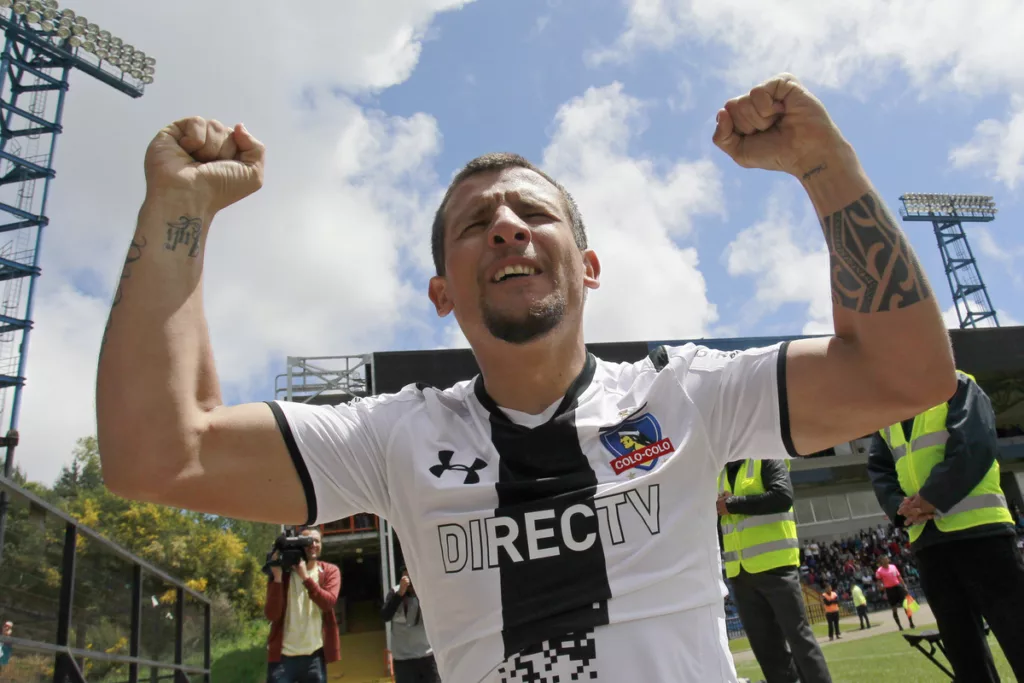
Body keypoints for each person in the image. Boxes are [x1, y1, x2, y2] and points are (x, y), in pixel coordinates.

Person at [96, 72, 956, 683]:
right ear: (441, 292)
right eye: (477, 223)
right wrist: (178, 212)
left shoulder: (685, 395)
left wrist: (825, 164)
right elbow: (160, 451)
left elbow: (905, 371)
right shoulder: (398, 437)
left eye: (532, 212)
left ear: (587, 265)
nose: (507, 225)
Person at [868, 370, 1024, 681]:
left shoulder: (957, 384)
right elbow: (879, 468)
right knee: (963, 650)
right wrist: (899, 507)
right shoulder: (887, 412)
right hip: (929, 542)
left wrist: (931, 497)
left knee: (1016, 631)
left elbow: (974, 445)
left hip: (981, 532)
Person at [717, 459, 831, 682]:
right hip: (739, 572)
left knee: (799, 639)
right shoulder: (719, 473)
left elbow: (782, 496)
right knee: (765, 648)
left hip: (776, 566)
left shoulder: (765, 457)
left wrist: (733, 504)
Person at [264, 529, 341, 683]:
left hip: (314, 656)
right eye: (307, 541)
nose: (313, 545)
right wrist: (277, 578)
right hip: (283, 657)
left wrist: (305, 577)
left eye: (317, 541)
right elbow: (271, 614)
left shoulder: (329, 571)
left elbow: (328, 603)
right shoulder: (283, 573)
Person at [382, 567, 439, 683]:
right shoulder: (395, 592)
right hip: (403, 660)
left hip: (427, 655)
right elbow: (385, 616)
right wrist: (400, 594)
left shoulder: (427, 592)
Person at [873, 555, 913, 631]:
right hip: (889, 589)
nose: (887, 560)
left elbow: (899, 576)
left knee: (906, 605)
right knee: (894, 608)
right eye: (885, 559)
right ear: (882, 561)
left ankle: (911, 623)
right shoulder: (879, 571)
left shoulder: (893, 566)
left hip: (898, 587)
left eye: (887, 559)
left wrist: (904, 586)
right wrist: (880, 587)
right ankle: (900, 626)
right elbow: (878, 581)